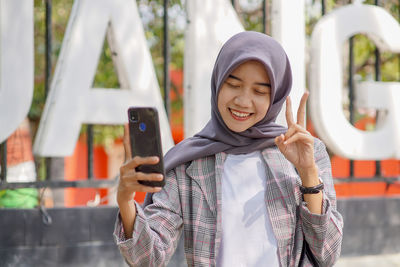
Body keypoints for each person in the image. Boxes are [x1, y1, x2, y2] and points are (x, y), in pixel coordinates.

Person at [114, 31, 343, 267]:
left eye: (259, 91)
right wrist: (126, 201)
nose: (243, 101)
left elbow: (327, 255)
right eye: (233, 84)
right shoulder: (187, 164)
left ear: (275, 96)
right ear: (218, 83)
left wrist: (307, 174)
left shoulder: (305, 152)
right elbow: (147, 260)